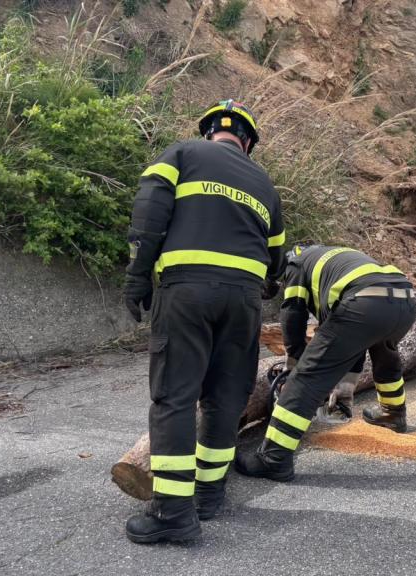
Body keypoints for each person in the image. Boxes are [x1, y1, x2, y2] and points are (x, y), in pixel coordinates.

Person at [123, 100, 284, 543]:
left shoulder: (181, 154)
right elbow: (276, 256)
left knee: (175, 397)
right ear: (248, 142)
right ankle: (209, 496)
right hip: (244, 299)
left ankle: (173, 514)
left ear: (210, 130)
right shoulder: (264, 183)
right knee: (225, 398)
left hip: (187, 292)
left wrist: (138, 277)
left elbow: (149, 214)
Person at [235, 245, 416, 481]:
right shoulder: (330, 257)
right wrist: (345, 384)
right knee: (385, 355)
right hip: (404, 299)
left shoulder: (296, 265)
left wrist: (295, 363)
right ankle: (394, 414)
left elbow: (292, 314)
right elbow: (352, 341)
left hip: (365, 302)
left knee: (307, 377)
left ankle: (273, 458)